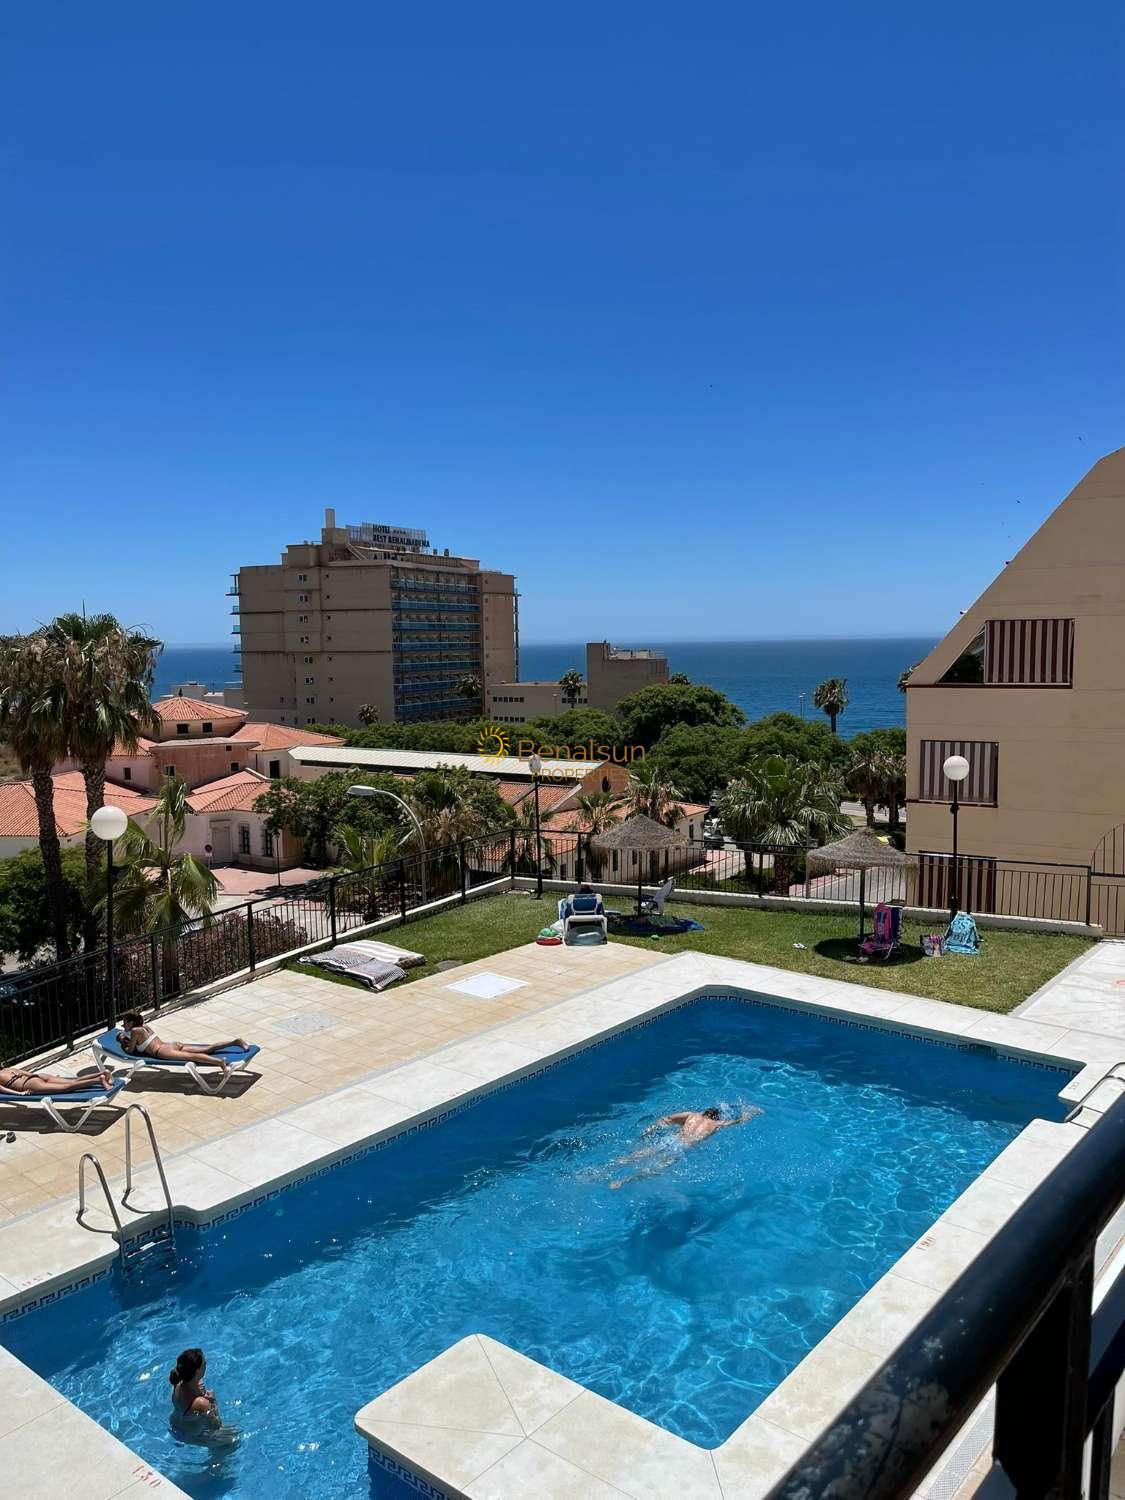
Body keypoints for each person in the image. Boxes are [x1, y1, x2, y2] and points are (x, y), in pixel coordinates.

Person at [610, 1105, 763, 1189]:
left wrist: (648, 1131)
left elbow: (666, 1119)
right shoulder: (717, 1124)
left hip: (670, 1140)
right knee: (655, 1170)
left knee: (638, 1155)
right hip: (681, 1149)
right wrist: (750, 1114)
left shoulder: (691, 1115)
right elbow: (737, 1121)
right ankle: (622, 1182)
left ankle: (605, 1170)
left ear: (704, 1112)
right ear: (717, 1117)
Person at [119, 1013, 247, 1070]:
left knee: (192, 1057)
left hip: (162, 1051)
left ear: (131, 1023)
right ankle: (236, 1042)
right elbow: (143, 1042)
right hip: (171, 1045)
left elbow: (130, 1051)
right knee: (207, 1049)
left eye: (124, 1023)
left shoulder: (135, 1031)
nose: (123, 1026)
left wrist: (122, 1042)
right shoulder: (144, 1027)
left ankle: (219, 1062)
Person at [169, 1348, 237, 1447]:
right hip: (189, 1436)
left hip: (174, 1426)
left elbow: (188, 1396)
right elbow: (216, 1426)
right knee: (232, 1438)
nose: (206, 1363)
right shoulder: (201, 1403)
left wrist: (198, 1390)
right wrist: (213, 1402)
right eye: (204, 1364)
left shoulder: (178, 1383)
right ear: (197, 1371)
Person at [0, 1064, 113, 1096]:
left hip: (29, 1084)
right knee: (74, 1081)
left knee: (66, 1088)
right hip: (38, 1076)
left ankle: (99, 1080)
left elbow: (2, 1089)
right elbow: (29, 1073)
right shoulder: (9, 1069)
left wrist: (19, 1093)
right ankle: (103, 1073)